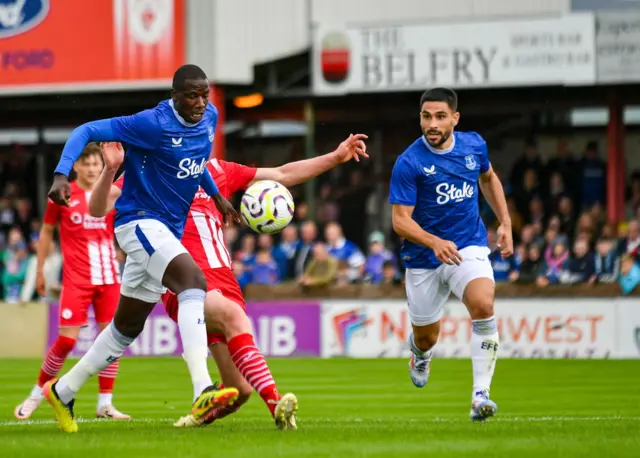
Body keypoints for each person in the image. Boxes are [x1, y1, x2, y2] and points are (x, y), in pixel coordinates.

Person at [90, 133, 368, 429]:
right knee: (234, 317)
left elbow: (283, 173)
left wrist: (335, 157)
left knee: (239, 391)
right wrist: (109, 170)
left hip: (224, 279)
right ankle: (277, 405)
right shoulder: (150, 175)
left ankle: (194, 420)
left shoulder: (217, 171)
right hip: (183, 280)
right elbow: (101, 205)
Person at [43, 64, 240, 433]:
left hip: (167, 230)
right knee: (192, 282)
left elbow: (195, 162)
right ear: (175, 95)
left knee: (126, 327)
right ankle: (203, 388)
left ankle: (63, 390)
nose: (200, 102)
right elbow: (86, 130)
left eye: (204, 94)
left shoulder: (209, 117)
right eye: (191, 96)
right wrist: (60, 173)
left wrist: (218, 197)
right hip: (138, 222)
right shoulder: (151, 123)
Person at [389, 88, 513, 422]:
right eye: (426, 116)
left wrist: (505, 222)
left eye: (440, 116)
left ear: (454, 118)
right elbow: (400, 221)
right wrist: (433, 242)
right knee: (427, 337)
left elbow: (488, 178)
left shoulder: (474, 145)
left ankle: (480, 396)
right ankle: (420, 354)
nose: (432, 123)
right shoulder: (409, 162)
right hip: (424, 258)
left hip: (467, 246)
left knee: (484, 305)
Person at [14, 144, 130, 421]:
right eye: (86, 164)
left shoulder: (113, 195)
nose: (91, 169)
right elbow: (46, 232)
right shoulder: (62, 195)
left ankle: (105, 404)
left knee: (112, 341)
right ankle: (35, 394)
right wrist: (40, 271)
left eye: (96, 165)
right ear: (75, 167)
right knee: (66, 341)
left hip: (110, 278)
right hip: (77, 279)